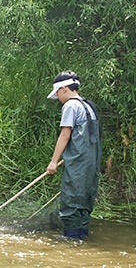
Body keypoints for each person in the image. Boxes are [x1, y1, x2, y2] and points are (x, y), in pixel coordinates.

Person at [46, 70, 102, 241]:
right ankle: (81, 239)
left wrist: (53, 162)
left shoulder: (70, 106)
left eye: (57, 94)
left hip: (78, 164)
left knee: (71, 203)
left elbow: (65, 135)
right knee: (85, 202)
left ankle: (70, 244)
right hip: (91, 164)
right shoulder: (88, 105)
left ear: (63, 89)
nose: (58, 99)